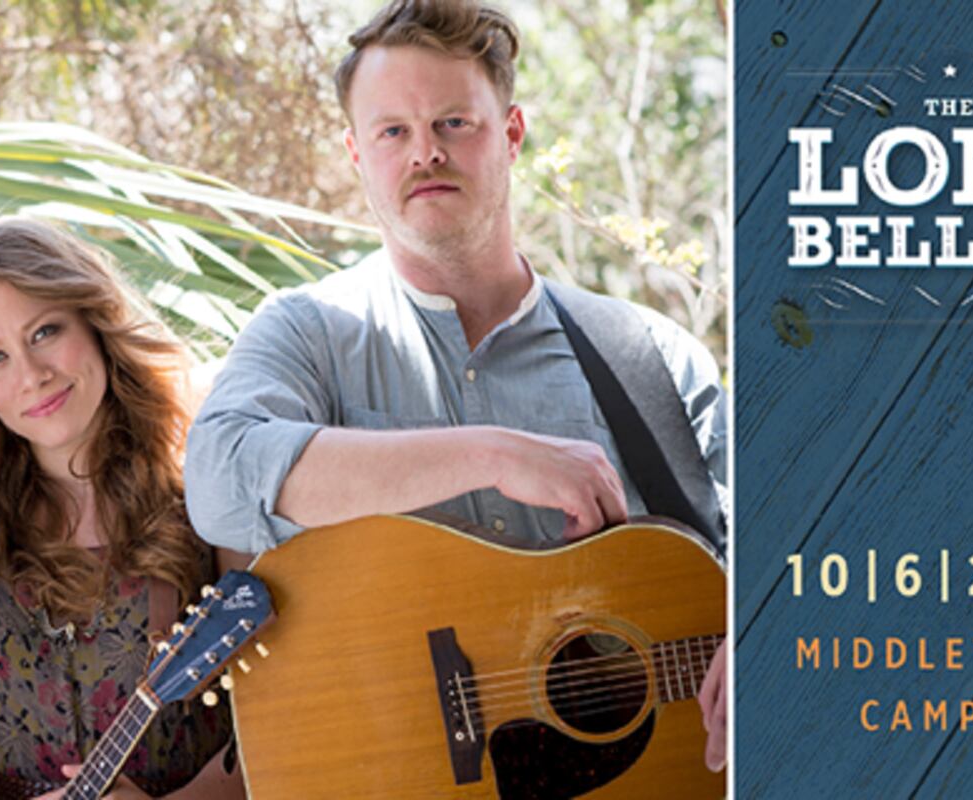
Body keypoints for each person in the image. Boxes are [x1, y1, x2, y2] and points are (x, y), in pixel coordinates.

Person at [182, 0, 730, 774]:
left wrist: (763, 624)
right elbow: (219, 476)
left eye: (454, 124)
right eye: (393, 132)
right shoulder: (307, 332)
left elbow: (791, 548)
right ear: (356, 155)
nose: (424, 154)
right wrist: (493, 455)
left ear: (510, 134)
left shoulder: (651, 359)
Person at [0, 219, 244, 800]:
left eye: (45, 331)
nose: (33, 376)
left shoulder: (208, 490)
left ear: (94, 319)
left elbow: (279, 719)